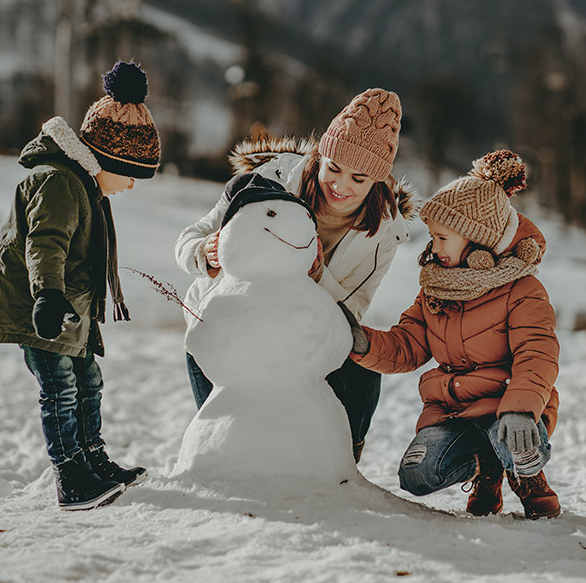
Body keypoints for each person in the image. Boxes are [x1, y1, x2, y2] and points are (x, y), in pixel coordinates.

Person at [175, 88, 417, 463]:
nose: (341, 186)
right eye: (333, 168)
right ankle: (220, 457)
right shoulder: (270, 179)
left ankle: (339, 462)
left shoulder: (382, 233)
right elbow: (191, 236)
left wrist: (316, 272)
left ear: (377, 182)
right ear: (319, 156)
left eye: (359, 178)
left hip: (305, 327)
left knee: (363, 369)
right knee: (228, 423)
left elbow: (350, 311)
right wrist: (206, 251)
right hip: (229, 315)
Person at [0, 61, 158, 511]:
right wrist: (48, 295)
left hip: (69, 311)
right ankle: (70, 475)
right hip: (44, 310)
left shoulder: (83, 185)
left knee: (88, 380)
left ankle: (93, 460)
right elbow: (45, 244)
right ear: (110, 159)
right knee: (60, 388)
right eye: (132, 174)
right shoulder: (58, 182)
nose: (131, 186)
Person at [343, 150, 562, 519]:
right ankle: (486, 469)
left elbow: (536, 355)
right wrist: (363, 343)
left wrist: (522, 410)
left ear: (477, 242)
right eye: (433, 236)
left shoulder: (522, 289)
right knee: (416, 474)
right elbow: (408, 344)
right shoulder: (435, 289)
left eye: (443, 237)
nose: (434, 247)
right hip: (452, 410)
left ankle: (527, 476)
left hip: (509, 406)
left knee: (516, 443)